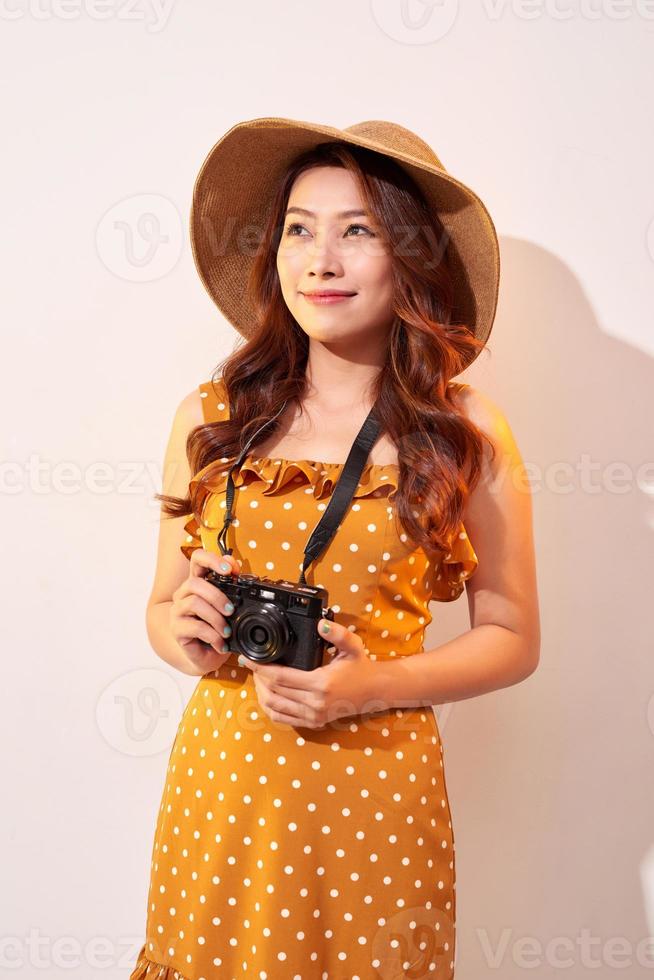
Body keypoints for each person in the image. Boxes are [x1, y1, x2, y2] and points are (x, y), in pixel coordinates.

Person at [129, 117, 540, 980]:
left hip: (374, 791)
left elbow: (513, 637)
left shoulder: (464, 430)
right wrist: (190, 633)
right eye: (299, 230)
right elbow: (161, 611)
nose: (321, 261)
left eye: (359, 231)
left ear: (413, 257)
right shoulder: (213, 418)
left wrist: (368, 686)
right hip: (225, 790)